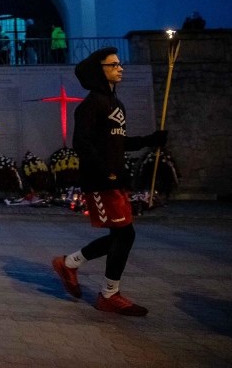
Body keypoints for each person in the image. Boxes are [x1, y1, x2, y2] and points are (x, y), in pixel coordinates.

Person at [51, 47, 168, 316]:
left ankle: (70, 264)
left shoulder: (117, 105)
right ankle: (108, 294)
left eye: (120, 64)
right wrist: (105, 172)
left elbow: (118, 142)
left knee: (121, 235)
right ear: (99, 71)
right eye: (113, 65)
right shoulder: (91, 105)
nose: (120, 68)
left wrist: (150, 140)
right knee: (125, 234)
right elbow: (82, 143)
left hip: (115, 178)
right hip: (102, 180)